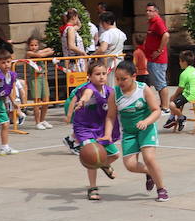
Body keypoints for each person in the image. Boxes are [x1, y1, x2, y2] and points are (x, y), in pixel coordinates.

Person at [113, 61, 168, 201]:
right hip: (129, 132)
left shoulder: (143, 89)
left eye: (123, 78)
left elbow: (157, 111)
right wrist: (107, 134)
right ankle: (150, 173)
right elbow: (109, 116)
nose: (120, 82)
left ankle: (161, 189)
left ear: (134, 76)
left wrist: (146, 121)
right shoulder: (115, 93)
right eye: (117, 78)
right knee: (130, 165)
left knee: (149, 158)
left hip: (146, 128)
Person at [68, 61, 119, 201]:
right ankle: (92, 188)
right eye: (97, 74)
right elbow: (86, 95)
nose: (101, 77)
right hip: (84, 128)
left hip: (100, 127)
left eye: (104, 73)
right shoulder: (89, 88)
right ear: (89, 76)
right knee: (92, 156)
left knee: (115, 155)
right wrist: (82, 101)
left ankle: (104, 164)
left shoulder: (110, 91)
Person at [164, 49, 195, 132]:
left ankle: (181, 117)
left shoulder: (184, 74)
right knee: (172, 99)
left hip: (189, 95)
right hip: (194, 93)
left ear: (184, 62)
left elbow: (180, 88)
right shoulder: (194, 69)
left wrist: (174, 96)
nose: (179, 63)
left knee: (172, 105)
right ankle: (172, 118)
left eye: (180, 61)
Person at [25, 35, 55, 129]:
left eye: (35, 45)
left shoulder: (39, 50)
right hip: (35, 78)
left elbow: (51, 50)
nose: (33, 47)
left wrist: (44, 51)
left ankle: (43, 120)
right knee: (37, 101)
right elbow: (41, 55)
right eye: (31, 45)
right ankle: (37, 122)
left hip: (43, 77)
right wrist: (44, 52)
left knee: (46, 100)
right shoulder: (29, 53)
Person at [141, 3, 170, 93]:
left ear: (156, 12)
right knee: (158, 85)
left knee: (161, 84)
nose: (147, 13)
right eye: (147, 11)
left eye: (150, 11)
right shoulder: (152, 22)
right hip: (152, 59)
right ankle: (162, 105)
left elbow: (166, 35)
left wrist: (159, 50)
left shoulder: (158, 22)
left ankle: (165, 106)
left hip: (158, 60)